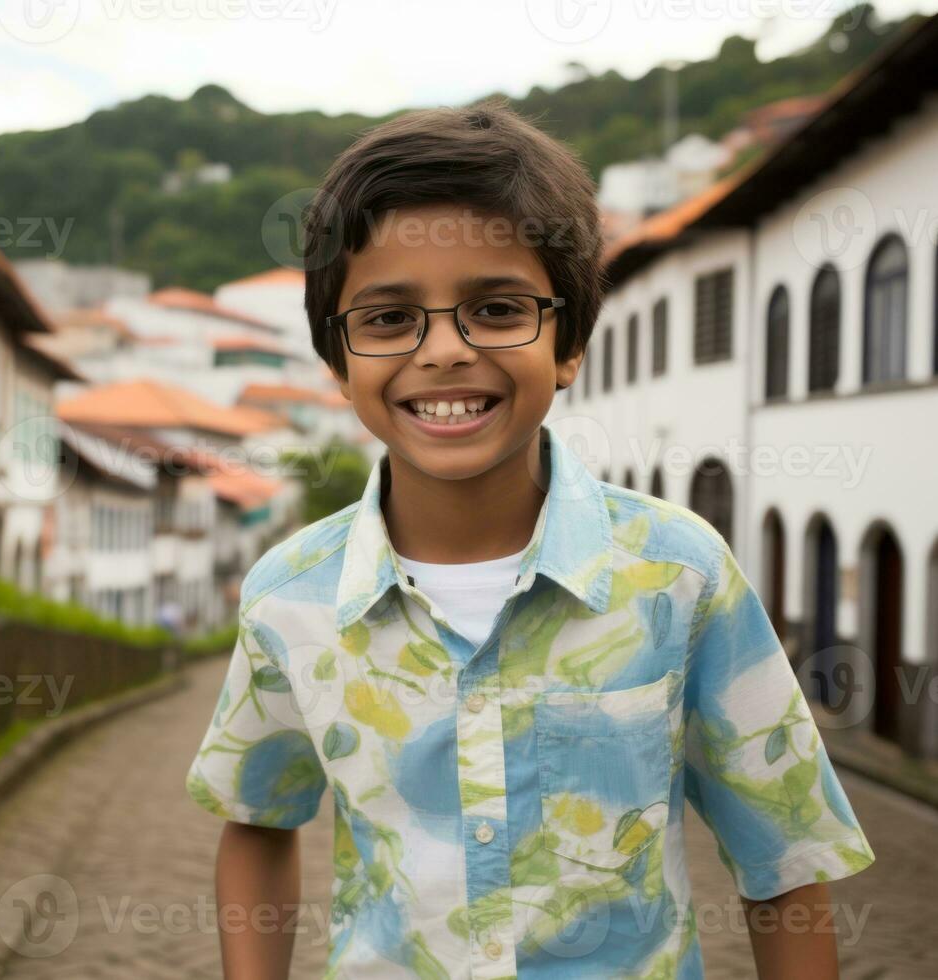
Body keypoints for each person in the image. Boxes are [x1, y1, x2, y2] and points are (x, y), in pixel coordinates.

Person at [184, 101, 874, 979]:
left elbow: (783, 860)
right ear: (336, 358)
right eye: (389, 318)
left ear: (570, 343)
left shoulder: (678, 573)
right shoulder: (290, 593)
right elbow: (257, 819)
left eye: (498, 308)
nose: (442, 351)